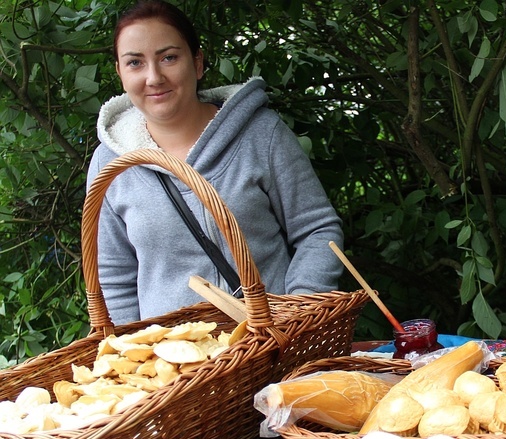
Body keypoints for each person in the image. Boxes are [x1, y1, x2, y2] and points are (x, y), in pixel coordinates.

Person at [87, 0, 344, 325]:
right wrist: (131, 355)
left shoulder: (260, 134)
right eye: (135, 63)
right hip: (177, 367)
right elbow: (114, 275)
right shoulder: (110, 163)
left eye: (168, 57)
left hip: (274, 349)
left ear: (197, 62)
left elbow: (317, 230)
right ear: (120, 74)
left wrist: (297, 314)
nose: (153, 77)